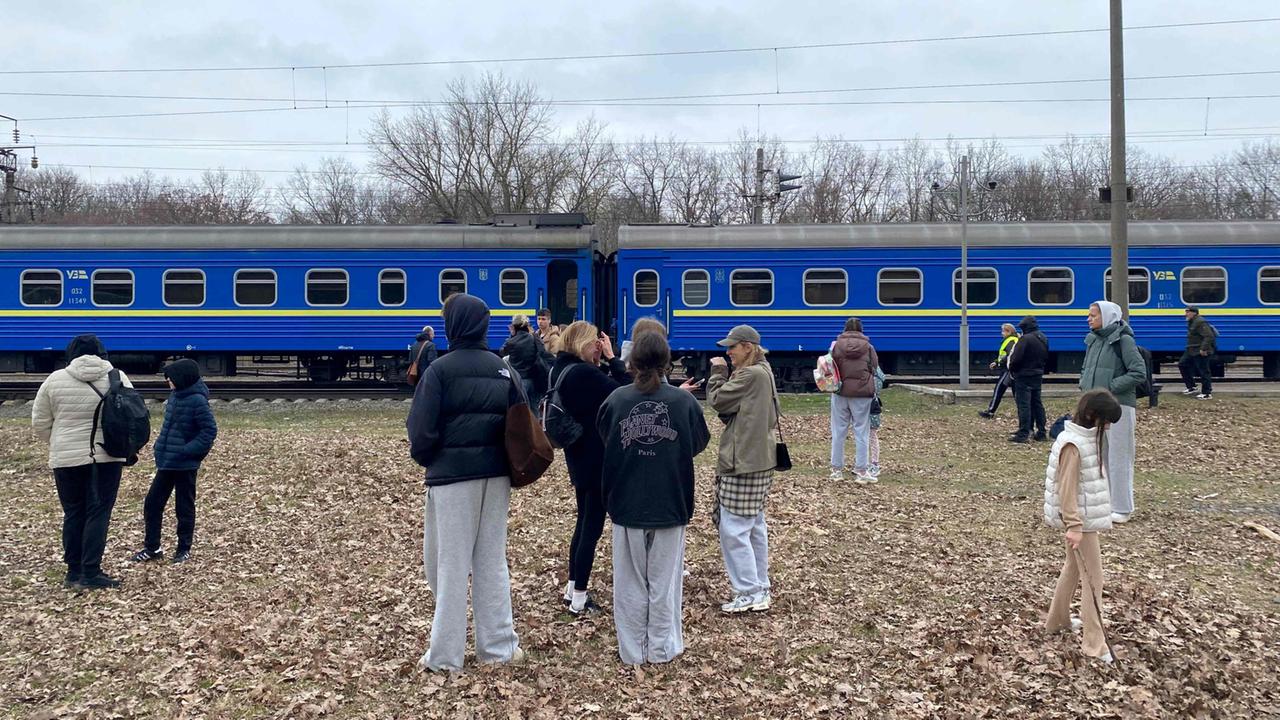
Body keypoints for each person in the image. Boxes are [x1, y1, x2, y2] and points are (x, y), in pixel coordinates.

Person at [407, 293, 523, 672]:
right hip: (496, 476)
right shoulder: (503, 369)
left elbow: (421, 433)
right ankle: (499, 648)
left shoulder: (439, 371)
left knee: (449, 564)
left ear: (452, 325)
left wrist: (433, 461)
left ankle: (444, 656)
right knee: (492, 561)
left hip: (452, 478)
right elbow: (519, 424)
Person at [597, 332, 710, 665]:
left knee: (629, 582)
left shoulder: (616, 400)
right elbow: (697, 443)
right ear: (666, 361)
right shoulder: (684, 402)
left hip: (625, 499)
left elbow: (607, 438)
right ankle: (662, 648)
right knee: (665, 582)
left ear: (632, 362)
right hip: (670, 499)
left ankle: (632, 650)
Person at [31, 334, 134, 590]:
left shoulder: (54, 380)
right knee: (98, 512)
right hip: (106, 457)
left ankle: (72, 572)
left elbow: (40, 423)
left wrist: (58, 443)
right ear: (101, 352)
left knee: (74, 512)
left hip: (66, 459)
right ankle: (91, 572)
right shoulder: (117, 377)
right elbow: (133, 416)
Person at [548, 321, 631, 616]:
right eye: (595, 342)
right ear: (584, 343)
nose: (599, 345)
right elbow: (626, 393)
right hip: (596, 458)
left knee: (583, 523)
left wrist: (601, 361)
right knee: (591, 528)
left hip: (577, 453)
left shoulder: (561, 367)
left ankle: (572, 588)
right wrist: (612, 358)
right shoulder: (584, 373)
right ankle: (580, 598)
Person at [1043, 389, 1123, 664]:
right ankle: (1094, 644)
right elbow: (1066, 491)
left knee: (1074, 569)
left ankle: (1057, 621)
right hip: (1082, 524)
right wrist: (1075, 526)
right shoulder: (1073, 445)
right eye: (1107, 421)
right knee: (1093, 579)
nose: (1109, 426)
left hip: (1082, 521)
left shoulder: (1082, 439)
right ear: (1092, 416)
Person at [706, 324, 779, 614]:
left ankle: (748, 591)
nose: (727, 352)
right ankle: (760, 586)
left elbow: (717, 399)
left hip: (744, 460)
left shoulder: (749, 374)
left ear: (748, 346)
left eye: (732, 347)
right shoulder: (765, 371)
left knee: (734, 528)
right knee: (754, 527)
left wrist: (717, 373)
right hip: (761, 458)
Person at [130, 359, 218, 564]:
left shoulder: (197, 400)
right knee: (152, 504)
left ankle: (183, 549)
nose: (168, 380)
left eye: (171, 377)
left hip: (184, 464)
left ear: (183, 378)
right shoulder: (176, 396)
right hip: (168, 461)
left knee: (184, 507)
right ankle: (153, 548)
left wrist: (187, 451)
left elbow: (209, 431)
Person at [1078, 301, 1146, 524]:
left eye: (1093, 315)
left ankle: (1122, 508)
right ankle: (1107, 503)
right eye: (1089, 315)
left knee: (1120, 456)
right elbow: (1086, 369)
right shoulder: (1094, 341)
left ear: (1107, 317)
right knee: (1101, 456)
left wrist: (1109, 387)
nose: (1089, 319)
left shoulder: (1123, 340)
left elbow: (1138, 372)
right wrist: (1085, 386)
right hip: (1098, 407)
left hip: (1119, 407)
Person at [830, 318, 880, 484]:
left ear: (844, 329)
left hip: (840, 391)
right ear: (861, 330)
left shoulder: (836, 346)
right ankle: (861, 470)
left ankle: (836, 471)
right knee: (861, 432)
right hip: (862, 393)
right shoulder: (868, 347)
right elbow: (874, 367)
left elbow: (830, 367)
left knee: (838, 432)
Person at [1007, 315, 1049, 443]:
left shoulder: (1025, 339)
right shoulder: (1042, 337)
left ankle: (1023, 433)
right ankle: (1041, 432)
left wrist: (1012, 369)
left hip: (1023, 375)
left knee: (1024, 404)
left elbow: (1016, 358)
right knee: (1037, 403)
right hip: (1037, 374)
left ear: (1025, 328)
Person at [499, 314, 547, 405]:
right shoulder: (533, 338)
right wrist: (534, 335)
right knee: (534, 409)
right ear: (527, 326)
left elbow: (502, 352)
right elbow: (542, 351)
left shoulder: (511, 342)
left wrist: (512, 335)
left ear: (514, 326)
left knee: (520, 409)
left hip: (518, 381)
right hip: (533, 380)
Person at [979, 323, 1019, 419]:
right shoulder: (1012, 340)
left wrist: (1000, 362)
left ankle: (990, 411)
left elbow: (1010, 355)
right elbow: (1005, 355)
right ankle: (1024, 412)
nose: (1002, 333)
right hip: (1011, 369)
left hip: (1007, 370)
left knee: (999, 389)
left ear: (1009, 332)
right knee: (1016, 393)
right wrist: (997, 362)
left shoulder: (1011, 341)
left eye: (1003, 331)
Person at [1178, 306, 1216, 400]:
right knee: (1182, 364)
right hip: (1191, 349)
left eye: (1187, 312)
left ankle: (1207, 393)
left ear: (1194, 313)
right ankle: (1191, 386)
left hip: (1200, 350)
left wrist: (1203, 349)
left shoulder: (1200, 322)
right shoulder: (1192, 321)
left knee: (1204, 371)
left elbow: (1209, 336)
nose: (1185, 314)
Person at [868, 365, 886, 478]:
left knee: (871, 436)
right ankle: (871, 463)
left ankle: (874, 463)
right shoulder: (878, 375)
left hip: (870, 408)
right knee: (870, 436)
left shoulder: (873, 376)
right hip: (873, 408)